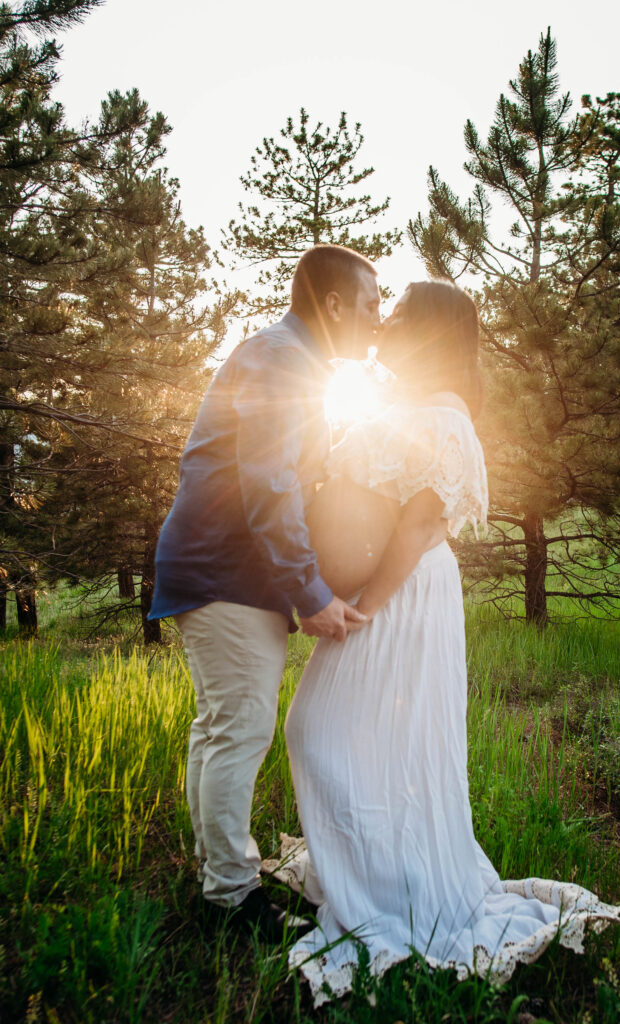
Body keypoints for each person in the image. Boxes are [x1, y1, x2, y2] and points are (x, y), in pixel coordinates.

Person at [275, 280, 620, 1002]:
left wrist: (362, 607)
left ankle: (397, 890)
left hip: (403, 594)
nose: (386, 323)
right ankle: (372, 873)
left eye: (401, 314)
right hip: (388, 588)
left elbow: (418, 526)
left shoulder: (446, 420)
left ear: (429, 332)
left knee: (323, 729)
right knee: (356, 737)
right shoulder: (406, 408)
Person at [148, 244, 381, 940]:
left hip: (221, 572)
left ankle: (217, 874)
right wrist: (310, 592)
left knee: (220, 727)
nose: (378, 320)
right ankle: (231, 900)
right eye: (370, 305)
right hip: (225, 574)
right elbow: (271, 486)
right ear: (334, 304)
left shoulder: (290, 358)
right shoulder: (284, 360)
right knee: (240, 730)